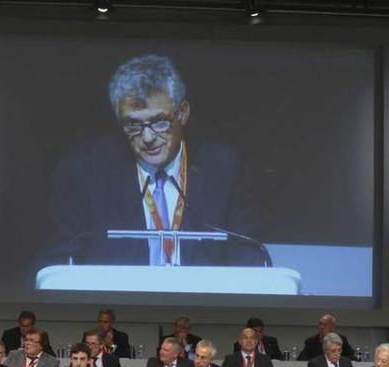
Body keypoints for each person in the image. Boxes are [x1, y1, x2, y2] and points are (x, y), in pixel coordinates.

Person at [48, 54, 261, 268]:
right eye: (133, 124)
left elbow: (248, 255)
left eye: (160, 122)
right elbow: (61, 261)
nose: (148, 138)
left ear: (182, 114)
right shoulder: (82, 173)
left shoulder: (225, 168)